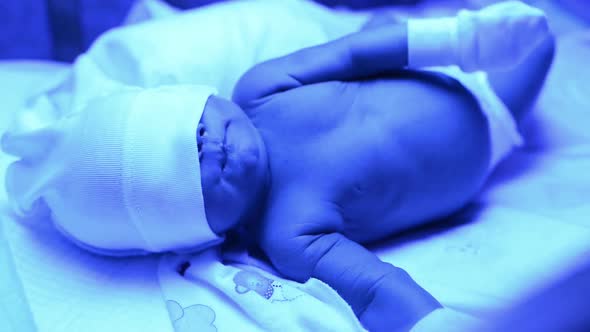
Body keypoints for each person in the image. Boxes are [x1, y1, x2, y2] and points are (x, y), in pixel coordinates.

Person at [1, 0, 554, 330]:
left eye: (194, 127)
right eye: (191, 177)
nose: (211, 149)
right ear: (202, 231)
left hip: (451, 66)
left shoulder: (261, 88)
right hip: (490, 122)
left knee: (515, 26)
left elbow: (357, 56)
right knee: (543, 44)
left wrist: (456, 40)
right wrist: (434, 323)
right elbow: (374, 288)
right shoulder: (289, 231)